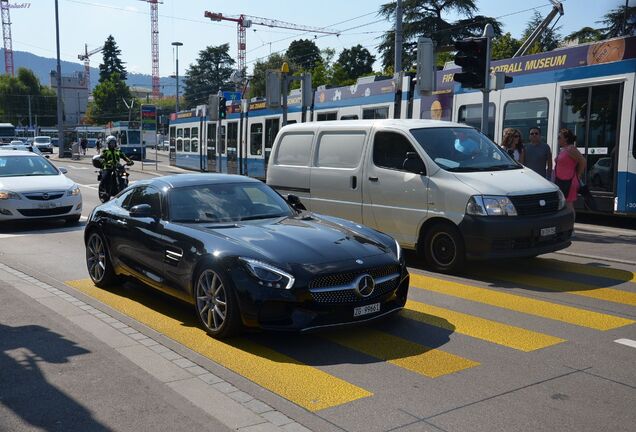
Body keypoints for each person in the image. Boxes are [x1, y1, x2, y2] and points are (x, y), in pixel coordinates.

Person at [554, 128, 585, 213]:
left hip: (569, 181)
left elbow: (582, 161)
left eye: (559, 137)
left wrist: (578, 175)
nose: (558, 139)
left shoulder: (571, 149)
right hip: (561, 181)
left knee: (569, 205)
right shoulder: (564, 149)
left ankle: (570, 224)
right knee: (564, 205)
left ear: (566, 138)